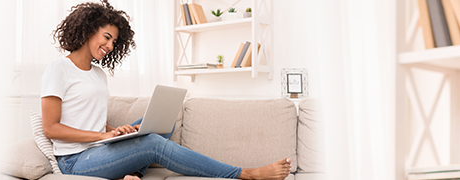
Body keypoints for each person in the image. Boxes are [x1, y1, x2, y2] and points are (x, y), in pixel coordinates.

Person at [41, 1, 292, 180]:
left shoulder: (98, 74)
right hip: (75, 161)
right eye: (106, 37)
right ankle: (244, 173)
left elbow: (91, 119)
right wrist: (103, 138)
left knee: (161, 124)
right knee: (151, 142)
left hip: (99, 150)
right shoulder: (58, 69)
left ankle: (130, 174)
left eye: (114, 42)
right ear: (87, 29)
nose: (109, 45)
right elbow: (51, 128)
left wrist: (115, 131)